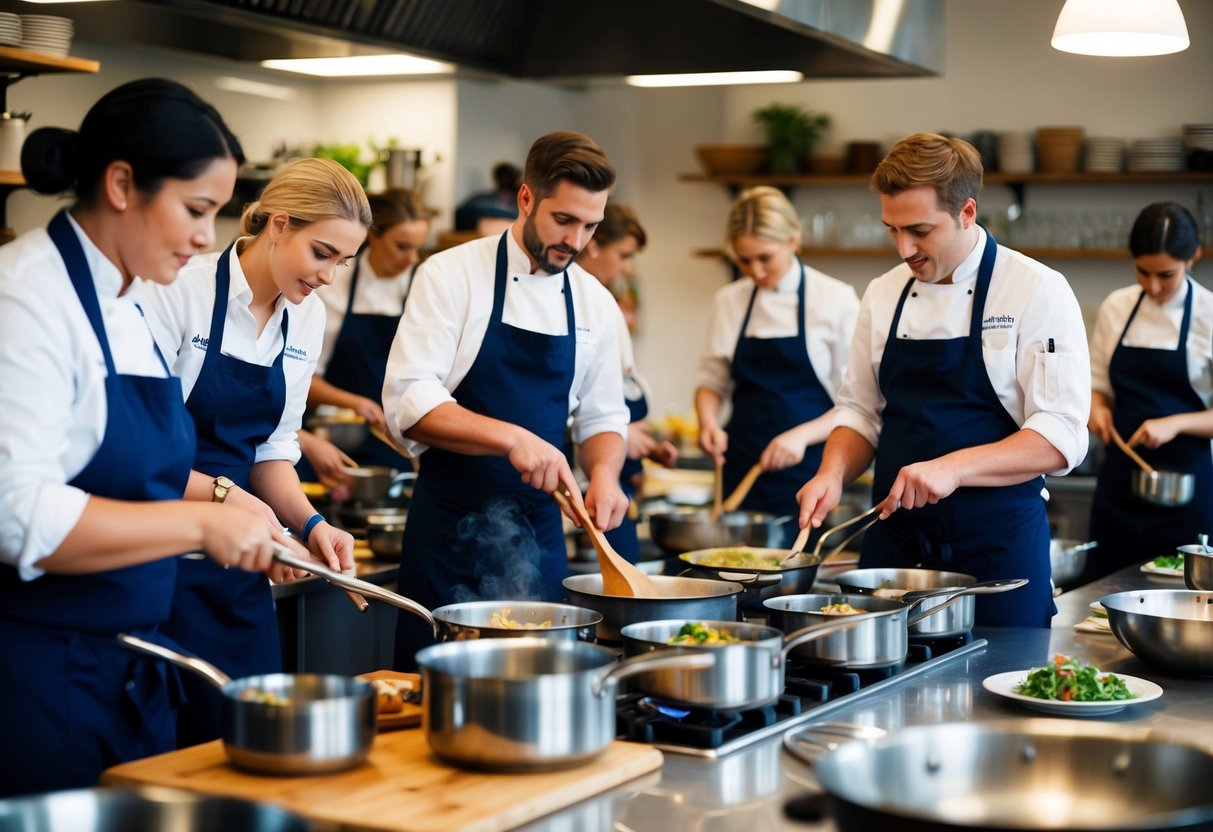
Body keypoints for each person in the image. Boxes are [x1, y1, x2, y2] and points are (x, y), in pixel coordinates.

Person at [0, 78, 286, 796]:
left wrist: (227, 501)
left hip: (129, 671)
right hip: (42, 681)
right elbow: (16, 514)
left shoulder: (129, 303)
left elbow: (125, 470)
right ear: (122, 184)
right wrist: (200, 523)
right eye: (196, 209)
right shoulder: (24, 296)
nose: (207, 237)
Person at [795, 133, 1091, 628]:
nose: (903, 248)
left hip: (997, 555)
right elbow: (861, 412)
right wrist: (832, 473)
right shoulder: (883, 293)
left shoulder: (1036, 289)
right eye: (892, 230)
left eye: (920, 230)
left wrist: (953, 468)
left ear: (967, 212)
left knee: (1003, 678)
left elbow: (1062, 435)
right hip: (894, 553)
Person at [141, 157, 370, 745]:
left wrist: (312, 525)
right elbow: (140, 451)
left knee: (249, 743)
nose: (328, 276)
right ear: (279, 223)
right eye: (322, 253)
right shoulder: (181, 290)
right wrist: (228, 497)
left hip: (240, 573)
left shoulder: (307, 316)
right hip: (157, 558)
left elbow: (273, 450)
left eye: (342, 262)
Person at [383, 131, 630, 670]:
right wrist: (512, 438)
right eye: (563, 220)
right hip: (447, 531)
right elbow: (410, 402)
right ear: (525, 198)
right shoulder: (450, 275)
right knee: (432, 692)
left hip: (540, 538)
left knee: (534, 688)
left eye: (591, 226)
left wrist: (605, 474)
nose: (576, 240)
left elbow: (603, 416)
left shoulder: (595, 302)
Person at [695, 186, 860, 547]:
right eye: (744, 261)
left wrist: (800, 436)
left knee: (792, 570)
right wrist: (708, 422)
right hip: (741, 467)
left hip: (809, 473)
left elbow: (856, 403)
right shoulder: (729, 301)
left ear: (793, 240)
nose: (755, 271)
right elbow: (712, 382)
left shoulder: (835, 300)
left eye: (764, 258)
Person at [1086, 202, 1212, 581]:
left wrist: (1174, 424)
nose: (1153, 286)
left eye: (1166, 275)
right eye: (1143, 272)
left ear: (1193, 256)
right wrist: (1097, 409)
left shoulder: (1208, 315)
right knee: (1102, 592)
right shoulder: (1117, 307)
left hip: (1186, 489)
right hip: (1120, 484)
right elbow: (1097, 387)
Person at [575, 202, 678, 561]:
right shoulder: (576, 302)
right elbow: (568, 403)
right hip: (581, 488)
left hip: (614, 482)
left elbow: (610, 398)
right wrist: (619, 435)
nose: (627, 268)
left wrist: (636, 443)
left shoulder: (604, 302)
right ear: (593, 245)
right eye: (624, 255)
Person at [306, 187, 433, 471]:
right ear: (373, 236)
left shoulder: (424, 289)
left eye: (418, 248)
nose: (412, 259)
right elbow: (302, 378)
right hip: (333, 435)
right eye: (402, 246)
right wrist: (354, 403)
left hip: (398, 442)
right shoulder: (332, 285)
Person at [453, 161, 521, 232]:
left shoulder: (520, 205)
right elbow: (459, 215)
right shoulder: (480, 200)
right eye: (503, 175)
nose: (505, 179)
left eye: (509, 176)